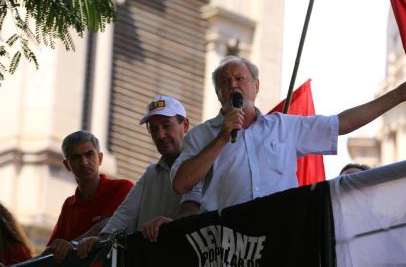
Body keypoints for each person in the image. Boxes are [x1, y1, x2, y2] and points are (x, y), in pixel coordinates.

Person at [171, 55, 406, 213]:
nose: (233, 85)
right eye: (225, 82)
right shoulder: (201, 136)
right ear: (219, 94)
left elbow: (341, 123)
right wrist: (223, 138)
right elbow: (181, 184)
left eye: (239, 79)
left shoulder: (285, 127)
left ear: (256, 86)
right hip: (229, 246)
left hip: (281, 239)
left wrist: (396, 95)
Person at [76, 95, 198, 259]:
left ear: (185, 125)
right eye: (153, 129)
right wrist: (100, 241)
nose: (160, 135)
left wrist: (171, 225)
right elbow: (124, 217)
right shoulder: (151, 174)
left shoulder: (201, 163)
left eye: (166, 126)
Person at [43, 131, 133, 262]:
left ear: (100, 158)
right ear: (67, 165)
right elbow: (50, 251)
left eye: (89, 154)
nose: (84, 162)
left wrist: (72, 244)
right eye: (76, 157)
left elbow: (113, 225)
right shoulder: (69, 205)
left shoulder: (122, 188)